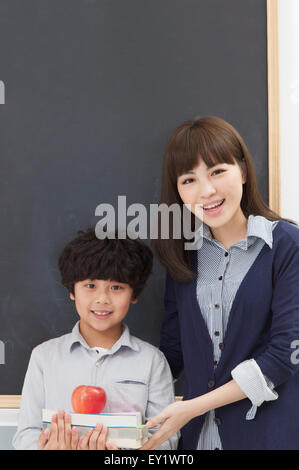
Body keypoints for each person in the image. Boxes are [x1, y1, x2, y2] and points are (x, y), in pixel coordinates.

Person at [140, 116, 299, 450]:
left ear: (242, 169)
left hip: (270, 437)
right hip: (197, 440)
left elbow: (286, 355)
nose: (206, 191)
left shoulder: (285, 245)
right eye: (188, 179)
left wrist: (193, 407)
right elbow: (172, 353)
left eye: (217, 171)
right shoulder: (182, 257)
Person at [12, 228, 179, 450]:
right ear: (72, 290)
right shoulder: (44, 357)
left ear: (135, 294)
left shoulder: (152, 361)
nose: (102, 299)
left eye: (116, 287)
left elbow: (166, 440)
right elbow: (25, 435)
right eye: (90, 286)